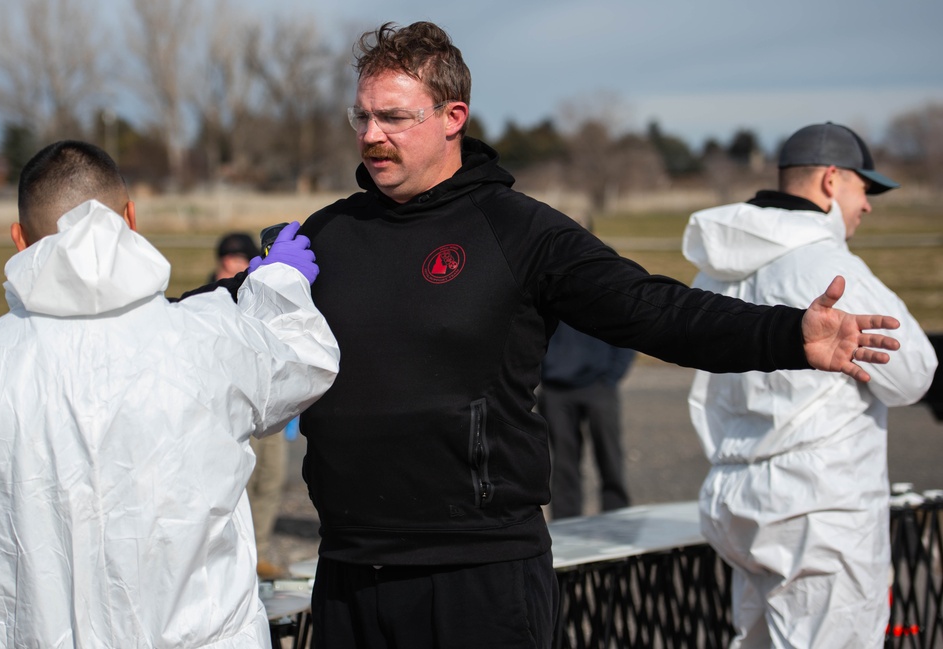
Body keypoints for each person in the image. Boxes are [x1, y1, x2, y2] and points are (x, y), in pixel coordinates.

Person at [186, 23, 904, 649]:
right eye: (363, 117)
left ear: (451, 117)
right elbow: (221, 320)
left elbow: (653, 309)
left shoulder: (518, 231)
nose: (372, 135)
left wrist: (788, 336)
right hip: (349, 571)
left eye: (394, 117)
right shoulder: (331, 235)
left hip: (479, 573)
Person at [0, 140, 339, 648]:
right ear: (130, 219)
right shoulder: (206, 340)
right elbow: (304, 359)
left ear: (20, 239)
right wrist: (280, 283)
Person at [682, 122, 938, 648]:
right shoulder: (827, 266)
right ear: (830, 181)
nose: (866, 206)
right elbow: (913, 373)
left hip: (736, 500)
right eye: (863, 188)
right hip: (820, 510)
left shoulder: (713, 271)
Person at [211, 231, 290, 580]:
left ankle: (257, 552)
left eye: (242, 257)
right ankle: (233, 560)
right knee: (238, 481)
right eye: (229, 257)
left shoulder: (258, 294)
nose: (235, 263)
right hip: (229, 407)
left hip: (267, 401)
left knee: (272, 478)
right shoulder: (206, 299)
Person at [539, 321, 636, 517]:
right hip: (554, 388)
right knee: (563, 463)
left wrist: (612, 375)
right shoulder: (542, 290)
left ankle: (617, 518)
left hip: (599, 384)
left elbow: (626, 325)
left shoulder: (608, 290)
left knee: (609, 455)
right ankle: (566, 525)